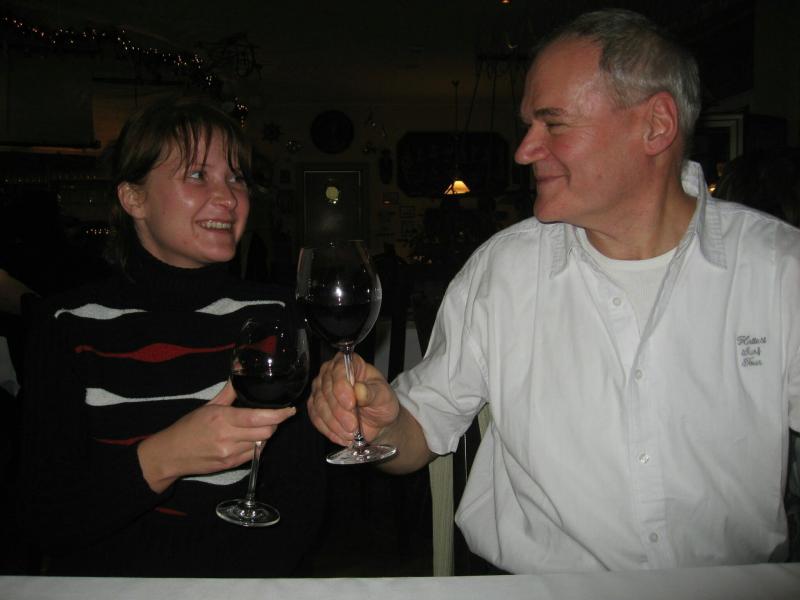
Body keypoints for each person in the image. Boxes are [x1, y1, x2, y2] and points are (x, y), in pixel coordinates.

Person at [308, 8, 800, 574]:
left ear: (656, 126)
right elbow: (419, 430)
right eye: (528, 125)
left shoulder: (776, 269)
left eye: (554, 124)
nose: (523, 150)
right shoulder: (504, 270)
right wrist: (379, 422)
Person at [18, 98, 326, 577]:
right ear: (133, 198)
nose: (230, 198)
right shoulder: (68, 324)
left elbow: (300, 498)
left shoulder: (274, 316)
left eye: (237, 178)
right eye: (198, 175)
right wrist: (163, 458)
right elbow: (45, 518)